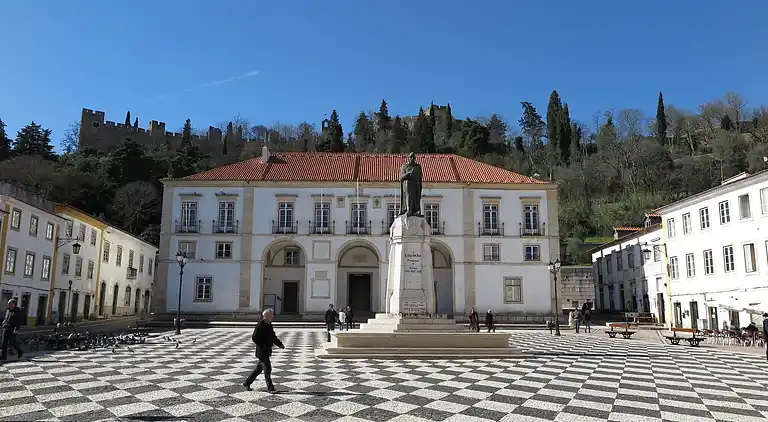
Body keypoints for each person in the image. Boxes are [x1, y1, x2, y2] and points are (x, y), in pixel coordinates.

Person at [243, 309, 284, 392]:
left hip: (267, 350)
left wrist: (279, 344)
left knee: (258, 369)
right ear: (266, 316)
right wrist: (263, 344)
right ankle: (270, 388)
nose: (273, 316)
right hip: (262, 352)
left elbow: (273, 336)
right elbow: (254, 338)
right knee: (267, 369)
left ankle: (247, 383)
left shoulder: (269, 325)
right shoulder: (260, 325)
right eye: (272, 315)